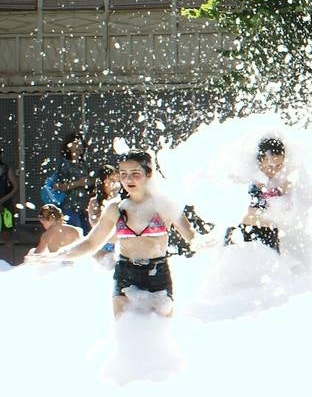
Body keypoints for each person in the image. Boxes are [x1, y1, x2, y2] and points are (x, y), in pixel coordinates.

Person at [40, 151, 195, 318]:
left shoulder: (165, 204)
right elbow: (92, 243)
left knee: (159, 328)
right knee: (125, 327)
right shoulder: (116, 208)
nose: (128, 180)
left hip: (157, 272)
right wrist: (61, 255)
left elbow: (192, 236)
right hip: (125, 273)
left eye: (135, 174)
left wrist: (207, 243)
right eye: (123, 174)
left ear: (148, 174)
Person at [51, 131, 93, 232]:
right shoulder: (64, 164)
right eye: (75, 143)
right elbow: (56, 186)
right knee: (75, 235)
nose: (79, 147)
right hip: (68, 207)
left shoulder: (84, 165)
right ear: (68, 146)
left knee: (85, 235)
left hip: (83, 207)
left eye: (81, 144)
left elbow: (87, 184)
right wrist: (78, 183)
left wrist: (91, 183)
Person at [0, 150, 18, 245]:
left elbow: (15, 188)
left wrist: (3, 200)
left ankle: (9, 256)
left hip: (5, 203)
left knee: (7, 232)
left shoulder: (6, 169)